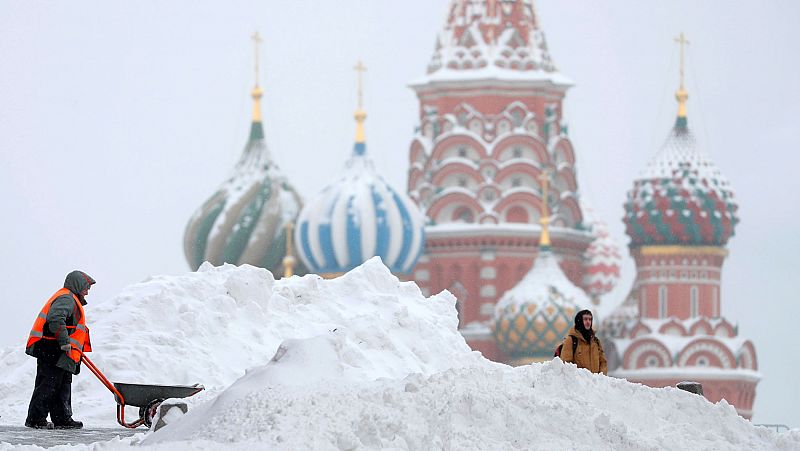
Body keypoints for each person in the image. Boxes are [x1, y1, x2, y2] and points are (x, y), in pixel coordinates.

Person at [24, 270, 95, 429]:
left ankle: (62, 418)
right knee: (48, 385)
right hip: (52, 349)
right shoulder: (66, 298)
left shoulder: (71, 299)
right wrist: (64, 342)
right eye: (86, 287)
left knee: (62, 385)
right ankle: (35, 419)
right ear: (77, 284)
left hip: (61, 352)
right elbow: (55, 319)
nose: (87, 291)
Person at [558, 309, 608, 375]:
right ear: (579, 321)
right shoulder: (571, 340)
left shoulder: (596, 342)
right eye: (585, 319)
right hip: (579, 384)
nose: (588, 322)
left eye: (590, 319)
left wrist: (601, 378)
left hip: (596, 384)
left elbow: (603, 362)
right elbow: (566, 365)